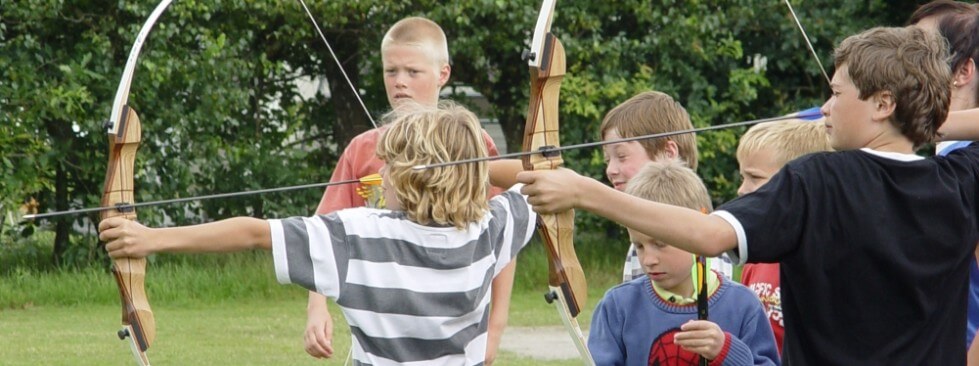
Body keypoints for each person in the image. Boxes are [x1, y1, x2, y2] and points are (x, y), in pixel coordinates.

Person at [517, 26, 979, 363]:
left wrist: (583, 191)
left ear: (882, 104)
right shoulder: (960, 180)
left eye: (837, 94)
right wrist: (923, 114)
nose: (824, 108)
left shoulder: (817, 180)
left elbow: (707, 234)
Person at [100, 103, 537, 366]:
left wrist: (150, 238)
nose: (381, 173)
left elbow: (254, 234)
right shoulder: (491, 230)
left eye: (389, 165)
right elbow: (543, 177)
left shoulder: (359, 236)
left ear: (411, 176)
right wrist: (468, 169)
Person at [307, 16, 514, 363]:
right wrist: (317, 307)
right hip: (383, 330)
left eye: (412, 72)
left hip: (454, 324)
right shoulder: (363, 148)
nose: (400, 83)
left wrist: (495, 327)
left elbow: (500, 240)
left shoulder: (470, 145)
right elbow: (322, 234)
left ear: (442, 74)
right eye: (391, 71)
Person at [589, 159, 779, 365]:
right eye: (639, 246)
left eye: (661, 244)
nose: (648, 260)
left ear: (697, 232)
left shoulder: (743, 305)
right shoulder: (618, 306)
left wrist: (725, 351)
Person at [600, 91, 734, 283]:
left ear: (668, 153)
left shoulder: (702, 233)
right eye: (607, 159)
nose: (610, 170)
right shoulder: (642, 236)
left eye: (621, 156)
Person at [909, 3, 979, 360]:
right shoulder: (944, 161)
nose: (901, 59)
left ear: (963, 71)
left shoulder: (970, 167)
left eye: (920, 49)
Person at [734, 120, 832, 355]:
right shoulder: (756, 257)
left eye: (754, 178)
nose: (741, 190)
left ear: (799, 182)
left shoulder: (826, 261)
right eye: (742, 177)